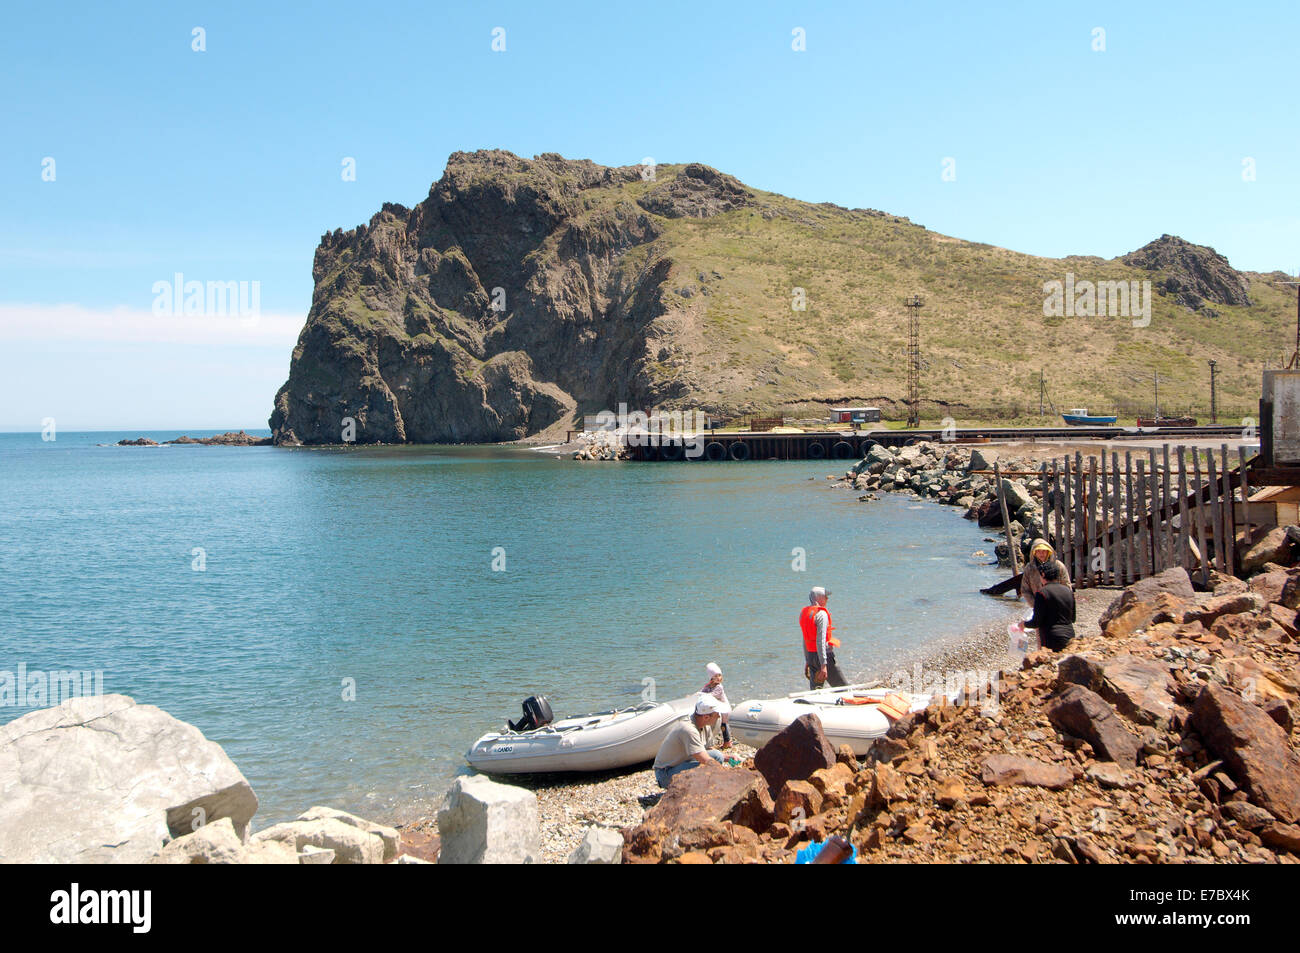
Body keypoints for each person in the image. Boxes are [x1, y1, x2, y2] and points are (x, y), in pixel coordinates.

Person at [653, 695, 730, 788]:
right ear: (706, 717)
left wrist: (728, 758)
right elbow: (704, 759)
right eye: (717, 713)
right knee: (714, 761)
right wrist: (726, 774)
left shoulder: (705, 725)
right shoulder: (688, 729)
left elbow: (709, 750)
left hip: (680, 764)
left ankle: (703, 787)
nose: (719, 716)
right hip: (665, 774)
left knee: (717, 755)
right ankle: (699, 789)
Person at [800, 586, 847, 690]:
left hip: (811, 657)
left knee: (816, 690)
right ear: (818, 597)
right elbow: (820, 641)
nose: (827, 599)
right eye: (825, 596)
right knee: (843, 689)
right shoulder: (822, 614)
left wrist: (808, 660)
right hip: (824, 658)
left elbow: (805, 639)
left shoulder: (804, 614)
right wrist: (823, 665)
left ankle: (813, 704)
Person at [1024, 561, 1076, 651]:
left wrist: (1023, 624)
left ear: (1043, 574)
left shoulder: (1041, 593)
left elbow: (1036, 622)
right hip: (1070, 637)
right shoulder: (1068, 591)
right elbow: (1073, 619)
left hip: (1051, 639)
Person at [700, 662, 732, 749]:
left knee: (723, 726)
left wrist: (702, 695)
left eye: (719, 675)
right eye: (716, 676)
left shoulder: (719, 687)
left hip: (725, 709)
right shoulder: (709, 685)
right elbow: (703, 691)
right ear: (711, 678)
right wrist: (696, 694)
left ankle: (727, 741)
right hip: (718, 708)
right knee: (721, 725)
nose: (718, 678)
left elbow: (713, 695)